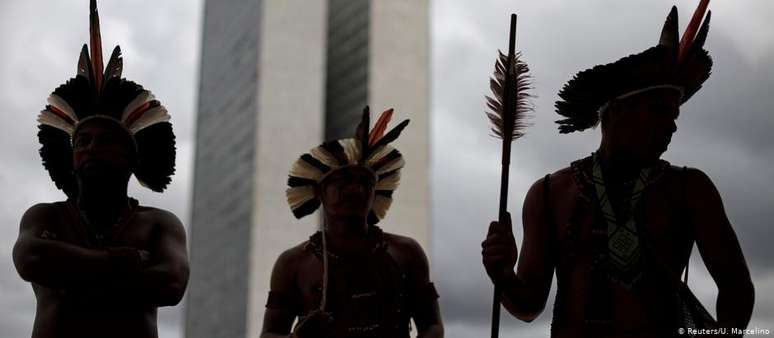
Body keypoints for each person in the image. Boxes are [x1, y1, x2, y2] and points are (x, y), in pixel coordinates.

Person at [482, 2, 754, 337]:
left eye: (674, 115)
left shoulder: (691, 190)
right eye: (658, 111)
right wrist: (504, 274)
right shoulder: (550, 193)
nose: (671, 126)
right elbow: (528, 306)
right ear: (614, 113)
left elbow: (737, 291)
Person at [12, 1, 189, 337]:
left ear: (131, 158)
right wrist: (123, 262)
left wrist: (67, 265)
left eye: (107, 141)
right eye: (83, 142)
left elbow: (172, 283)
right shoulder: (45, 216)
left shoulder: (159, 223)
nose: (92, 148)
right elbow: (30, 258)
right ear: (71, 156)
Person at [261, 108, 443, 338]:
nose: (356, 190)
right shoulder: (293, 263)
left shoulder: (406, 252)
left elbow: (433, 327)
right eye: (344, 181)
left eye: (366, 183)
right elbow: (269, 334)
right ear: (320, 192)